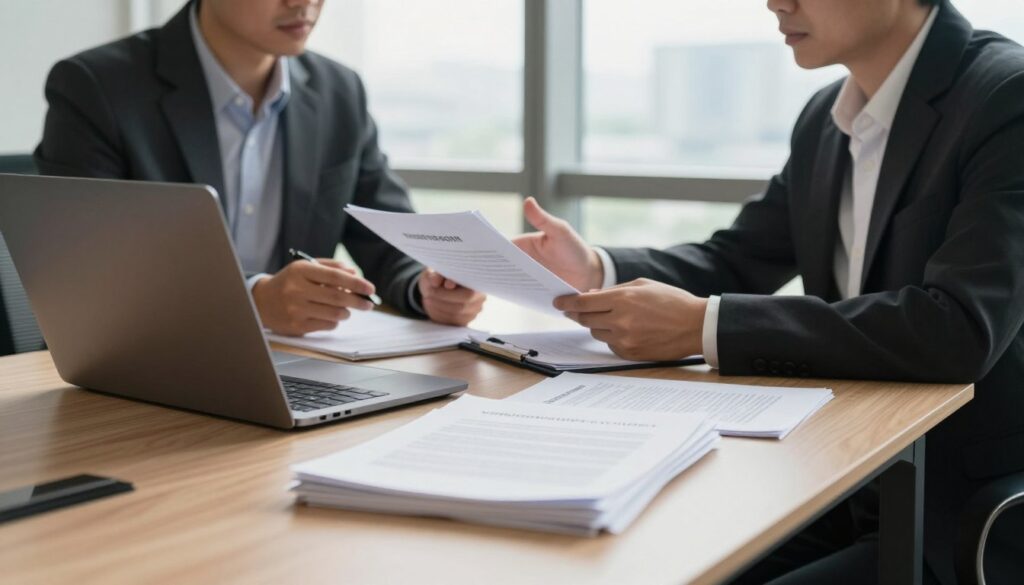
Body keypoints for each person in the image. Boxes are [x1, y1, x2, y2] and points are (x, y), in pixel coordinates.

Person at [514, 0, 1024, 582]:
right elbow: (736, 260)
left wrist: (704, 325)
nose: (775, 2)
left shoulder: (1006, 96)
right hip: (843, 481)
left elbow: (958, 329)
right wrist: (595, 267)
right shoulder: (824, 121)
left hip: (960, 518)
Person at [34, 0, 485, 335]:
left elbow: (388, 242)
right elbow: (88, 274)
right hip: (152, 366)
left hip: (300, 364)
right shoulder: (98, 87)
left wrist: (425, 288)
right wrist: (251, 299)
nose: (303, 3)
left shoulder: (338, 92)